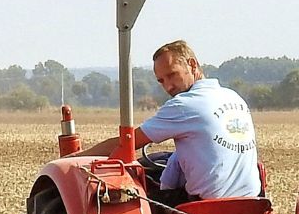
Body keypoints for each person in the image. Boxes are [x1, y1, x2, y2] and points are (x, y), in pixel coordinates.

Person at [74, 40, 259, 201]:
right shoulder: (233, 97)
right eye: (161, 80)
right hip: (250, 205)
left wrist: (75, 159)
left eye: (172, 75)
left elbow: (127, 143)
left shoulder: (184, 104)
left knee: (138, 196)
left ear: (192, 65)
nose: (168, 86)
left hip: (205, 208)